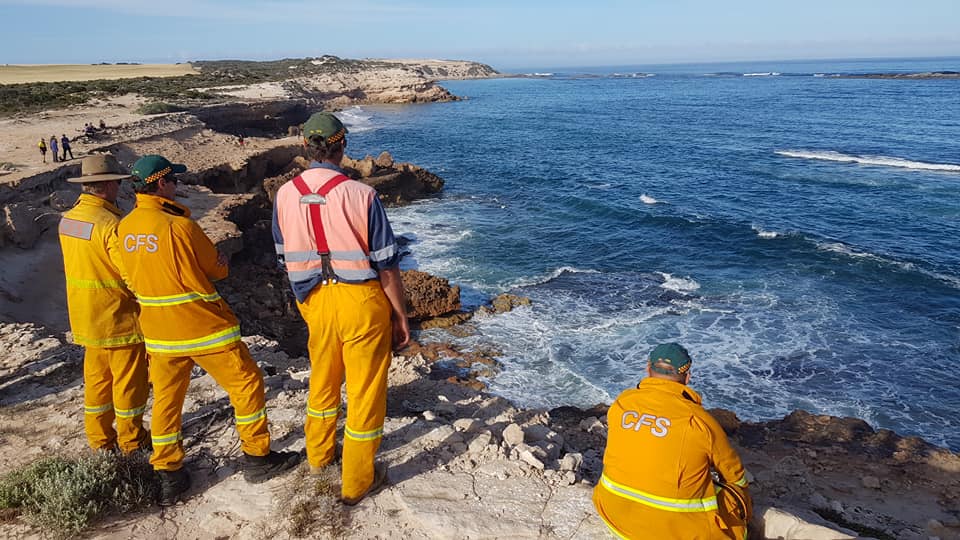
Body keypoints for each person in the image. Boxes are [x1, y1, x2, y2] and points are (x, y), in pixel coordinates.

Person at [118, 154, 300, 506]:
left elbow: (129, 274)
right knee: (246, 384)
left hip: (158, 331)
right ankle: (257, 457)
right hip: (202, 326)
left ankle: (169, 471)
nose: (177, 185)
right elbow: (217, 269)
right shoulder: (180, 227)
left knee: (167, 400)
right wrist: (220, 262)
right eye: (173, 180)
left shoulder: (124, 228)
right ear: (160, 184)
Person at [272, 112, 410, 505]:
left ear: (305, 146)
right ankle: (356, 482)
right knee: (365, 392)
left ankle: (318, 458)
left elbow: (282, 257)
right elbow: (386, 264)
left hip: (314, 300)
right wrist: (400, 315)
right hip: (360, 301)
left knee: (323, 379)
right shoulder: (362, 195)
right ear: (342, 145)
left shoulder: (284, 195)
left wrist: (305, 296)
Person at [593, 343, 752, 540]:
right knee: (733, 496)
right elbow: (734, 473)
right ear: (687, 377)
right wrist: (744, 506)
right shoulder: (699, 421)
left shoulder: (621, 403)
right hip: (673, 531)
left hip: (613, 513)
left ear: (648, 369)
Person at [59, 154, 151, 456]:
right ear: (109, 185)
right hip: (118, 319)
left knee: (97, 383)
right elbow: (131, 275)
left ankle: (100, 442)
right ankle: (132, 442)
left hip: (86, 318)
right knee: (129, 385)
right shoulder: (111, 225)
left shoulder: (69, 220)